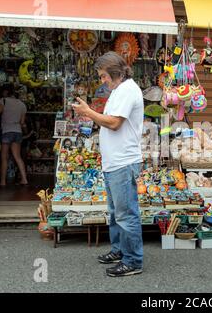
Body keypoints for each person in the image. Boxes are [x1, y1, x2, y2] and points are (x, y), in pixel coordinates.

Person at [72, 51, 144, 277]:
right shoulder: (118, 90)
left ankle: (132, 261)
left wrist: (88, 112)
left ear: (115, 73)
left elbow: (114, 123)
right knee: (115, 213)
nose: (102, 80)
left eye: (104, 76)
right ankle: (119, 251)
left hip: (123, 162)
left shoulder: (128, 90)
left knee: (126, 214)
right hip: (114, 163)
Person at [0, 85, 29, 186]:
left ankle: (3, 181)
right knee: (17, 157)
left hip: (7, 131)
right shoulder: (22, 105)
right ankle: (24, 179)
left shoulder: (3, 101)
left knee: (4, 157)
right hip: (17, 131)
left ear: (6, 92)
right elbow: (22, 122)